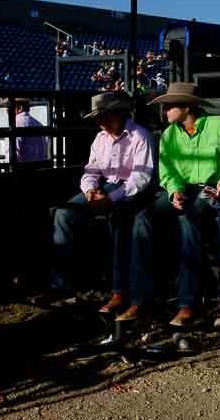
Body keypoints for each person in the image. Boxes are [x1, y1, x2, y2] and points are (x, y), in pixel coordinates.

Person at [131, 83, 220, 327]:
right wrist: (174, 191)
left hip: (216, 186)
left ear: (187, 107)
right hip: (186, 188)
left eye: (169, 106)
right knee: (143, 219)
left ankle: (188, 304)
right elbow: (168, 171)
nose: (165, 111)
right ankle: (141, 298)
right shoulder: (170, 135)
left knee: (190, 219)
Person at [53, 92, 155, 310]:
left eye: (104, 117)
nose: (100, 122)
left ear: (119, 114)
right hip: (107, 188)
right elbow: (90, 171)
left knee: (119, 219)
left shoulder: (140, 136)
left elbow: (141, 178)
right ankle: (65, 285)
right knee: (64, 214)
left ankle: (118, 290)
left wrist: (110, 198)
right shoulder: (100, 139)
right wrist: (90, 191)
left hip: (132, 190)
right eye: (98, 118)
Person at [0, 98, 48, 163]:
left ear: (20, 108)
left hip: (23, 169)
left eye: (9, 106)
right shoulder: (38, 124)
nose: (7, 110)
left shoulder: (16, 124)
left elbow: (12, 155)